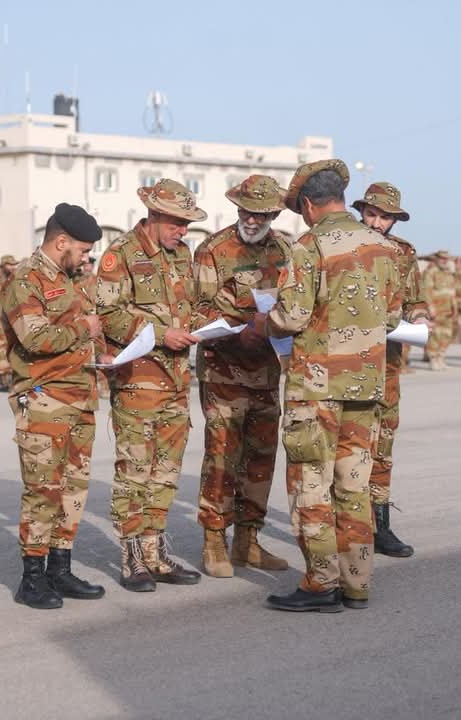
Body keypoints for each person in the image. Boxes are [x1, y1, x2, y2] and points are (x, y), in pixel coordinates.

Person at [256, 159, 402, 612]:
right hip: (366, 385)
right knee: (353, 487)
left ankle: (322, 583)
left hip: (316, 389)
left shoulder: (309, 245)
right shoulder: (383, 247)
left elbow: (292, 316)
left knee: (311, 485)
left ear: (307, 205)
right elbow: (393, 317)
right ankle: (357, 583)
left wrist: (264, 320)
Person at [96, 178, 204, 592]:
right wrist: (161, 334)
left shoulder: (182, 255)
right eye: (177, 223)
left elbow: (188, 306)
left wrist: (204, 327)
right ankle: (132, 559)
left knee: (166, 473)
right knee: (135, 472)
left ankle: (155, 554)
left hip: (177, 380)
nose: (183, 231)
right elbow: (107, 314)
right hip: (139, 382)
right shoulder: (120, 254)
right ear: (155, 215)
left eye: (187, 224)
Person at [1, 203, 108, 609]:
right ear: (61, 242)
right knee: (43, 491)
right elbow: (35, 338)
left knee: (72, 490)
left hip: (80, 398)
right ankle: (31, 578)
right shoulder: (25, 279)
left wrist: (103, 353)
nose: (86, 258)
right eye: (83, 250)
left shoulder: (71, 279)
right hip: (45, 399)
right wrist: (84, 328)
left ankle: (59, 570)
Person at [192, 175, 291, 578]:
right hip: (224, 371)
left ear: (273, 215)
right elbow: (197, 309)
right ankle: (214, 540)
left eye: (261, 215)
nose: (252, 220)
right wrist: (240, 327)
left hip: (267, 370)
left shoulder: (286, 250)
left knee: (261, 458)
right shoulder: (213, 250)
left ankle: (248, 541)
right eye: (247, 212)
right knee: (222, 458)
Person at [354, 182, 429, 557]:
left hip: (387, 363)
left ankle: (380, 526)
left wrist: (420, 317)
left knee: (382, 444)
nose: (377, 223)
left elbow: (415, 299)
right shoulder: (343, 245)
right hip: (347, 363)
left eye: (385, 217)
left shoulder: (404, 253)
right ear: (361, 212)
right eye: (372, 214)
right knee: (348, 446)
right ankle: (347, 525)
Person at [0, 254, 19, 392]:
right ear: (3, 266)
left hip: (13, 322)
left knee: (13, 350)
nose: (13, 267)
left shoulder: (15, 280)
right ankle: (2, 380)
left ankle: (12, 378)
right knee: (0, 351)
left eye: (14, 265)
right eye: (10, 265)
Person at [422, 250, 456, 370]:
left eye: (446, 258)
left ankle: (441, 357)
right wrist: (430, 308)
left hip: (448, 310)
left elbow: (452, 292)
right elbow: (427, 291)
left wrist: (455, 308)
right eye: (442, 258)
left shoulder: (448, 273)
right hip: (436, 309)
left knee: (447, 334)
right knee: (435, 335)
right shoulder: (431, 272)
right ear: (437, 259)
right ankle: (433, 358)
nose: (444, 261)